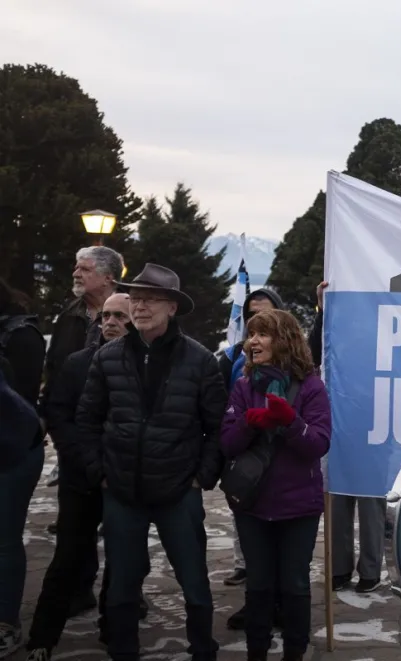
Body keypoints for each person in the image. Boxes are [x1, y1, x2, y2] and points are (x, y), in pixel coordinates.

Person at [74, 264, 227, 661]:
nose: (139, 306)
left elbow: (218, 427)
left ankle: (203, 649)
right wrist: (99, 472)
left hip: (179, 489)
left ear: (172, 308)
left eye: (150, 300)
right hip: (121, 489)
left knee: (194, 580)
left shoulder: (200, 360)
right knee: (122, 583)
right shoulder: (107, 356)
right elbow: (87, 420)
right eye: (136, 299)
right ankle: (123, 650)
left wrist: (202, 477)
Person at [24, 293, 151, 661]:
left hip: (125, 480)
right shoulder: (77, 363)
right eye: (105, 316)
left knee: (124, 560)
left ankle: (114, 632)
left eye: (120, 317)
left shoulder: (148, 366)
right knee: (67, 557)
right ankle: (42, 638)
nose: (109, 322)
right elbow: (59, 414)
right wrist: (85, 459)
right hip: (81, 477)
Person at [220, 309, 330, 661]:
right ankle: (257, 650)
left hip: (299, 506)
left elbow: (318, 444)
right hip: (253, 503)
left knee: (294, 584)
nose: (252, 341)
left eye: (262, 334)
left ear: (284, 341)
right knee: (258, 584)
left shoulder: (311, 387)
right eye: (251, 334)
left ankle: (295, 652)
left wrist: (290, 421)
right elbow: (227, 443)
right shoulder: (243, 386)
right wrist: (249, 423)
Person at [39, 246, 122, 603]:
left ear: (108, 277)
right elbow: (55, 369)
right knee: (76, 525)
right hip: (73, 436)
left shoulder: (131, 310)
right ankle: (80, 589)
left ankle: (123, 596)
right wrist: (54, 425)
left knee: (122, 528)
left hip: (118, 442)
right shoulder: (69, 316)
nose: (76, 273)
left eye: (84, 269)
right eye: (76, 267)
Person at [310, 281, 388, 594]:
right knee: (337, 503)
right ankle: (339, 568)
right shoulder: (336, 329)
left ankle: (370, 570)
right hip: (338, 430)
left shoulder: (381, 330)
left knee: (371, 506)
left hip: (374, 432)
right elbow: (313, 353)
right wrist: (323, 309)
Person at [217, 287, 286, 631]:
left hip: (285, 465)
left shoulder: (298, 369)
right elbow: (218, 410)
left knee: (284, 545)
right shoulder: (231, 359)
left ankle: (284, 606)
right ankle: (256, 604)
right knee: (253, 545)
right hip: (246, 462)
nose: (256, 321)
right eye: (250, 316)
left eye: (264, 315)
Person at [0, 279, 46, 658]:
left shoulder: (21, 335)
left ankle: (6, 623)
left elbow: (23, 401)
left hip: (13, 449)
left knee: (4, 538)